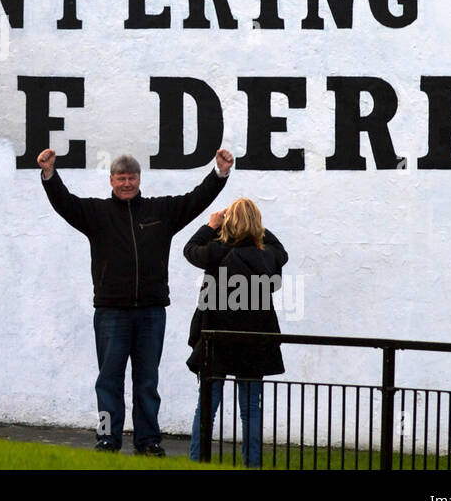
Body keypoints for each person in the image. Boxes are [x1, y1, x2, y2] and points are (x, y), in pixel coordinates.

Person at [37, 146, 234, 455]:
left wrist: (219, 173)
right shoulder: (96, 214)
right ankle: (106, 438)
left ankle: (149, 441)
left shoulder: (162, 212)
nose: (126, 183)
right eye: (120, 178)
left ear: (139, 179)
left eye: (131, 178)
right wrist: (49, 175)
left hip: (151, 313)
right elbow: (65, 203)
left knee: (147, 383)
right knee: (108, 382)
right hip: (110, 313)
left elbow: (195, 199)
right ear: (111, 181)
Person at [184, 198, 287, 467]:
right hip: (255, 339)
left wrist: (211, 226)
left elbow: (190, 249)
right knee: (251, 409)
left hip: (216, 338)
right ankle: (252, 464)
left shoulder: (218, 251)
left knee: (207, 407)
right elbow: (281, 251)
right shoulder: (267, 254)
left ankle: (197, 461)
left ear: (227, 223)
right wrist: (254, 227)